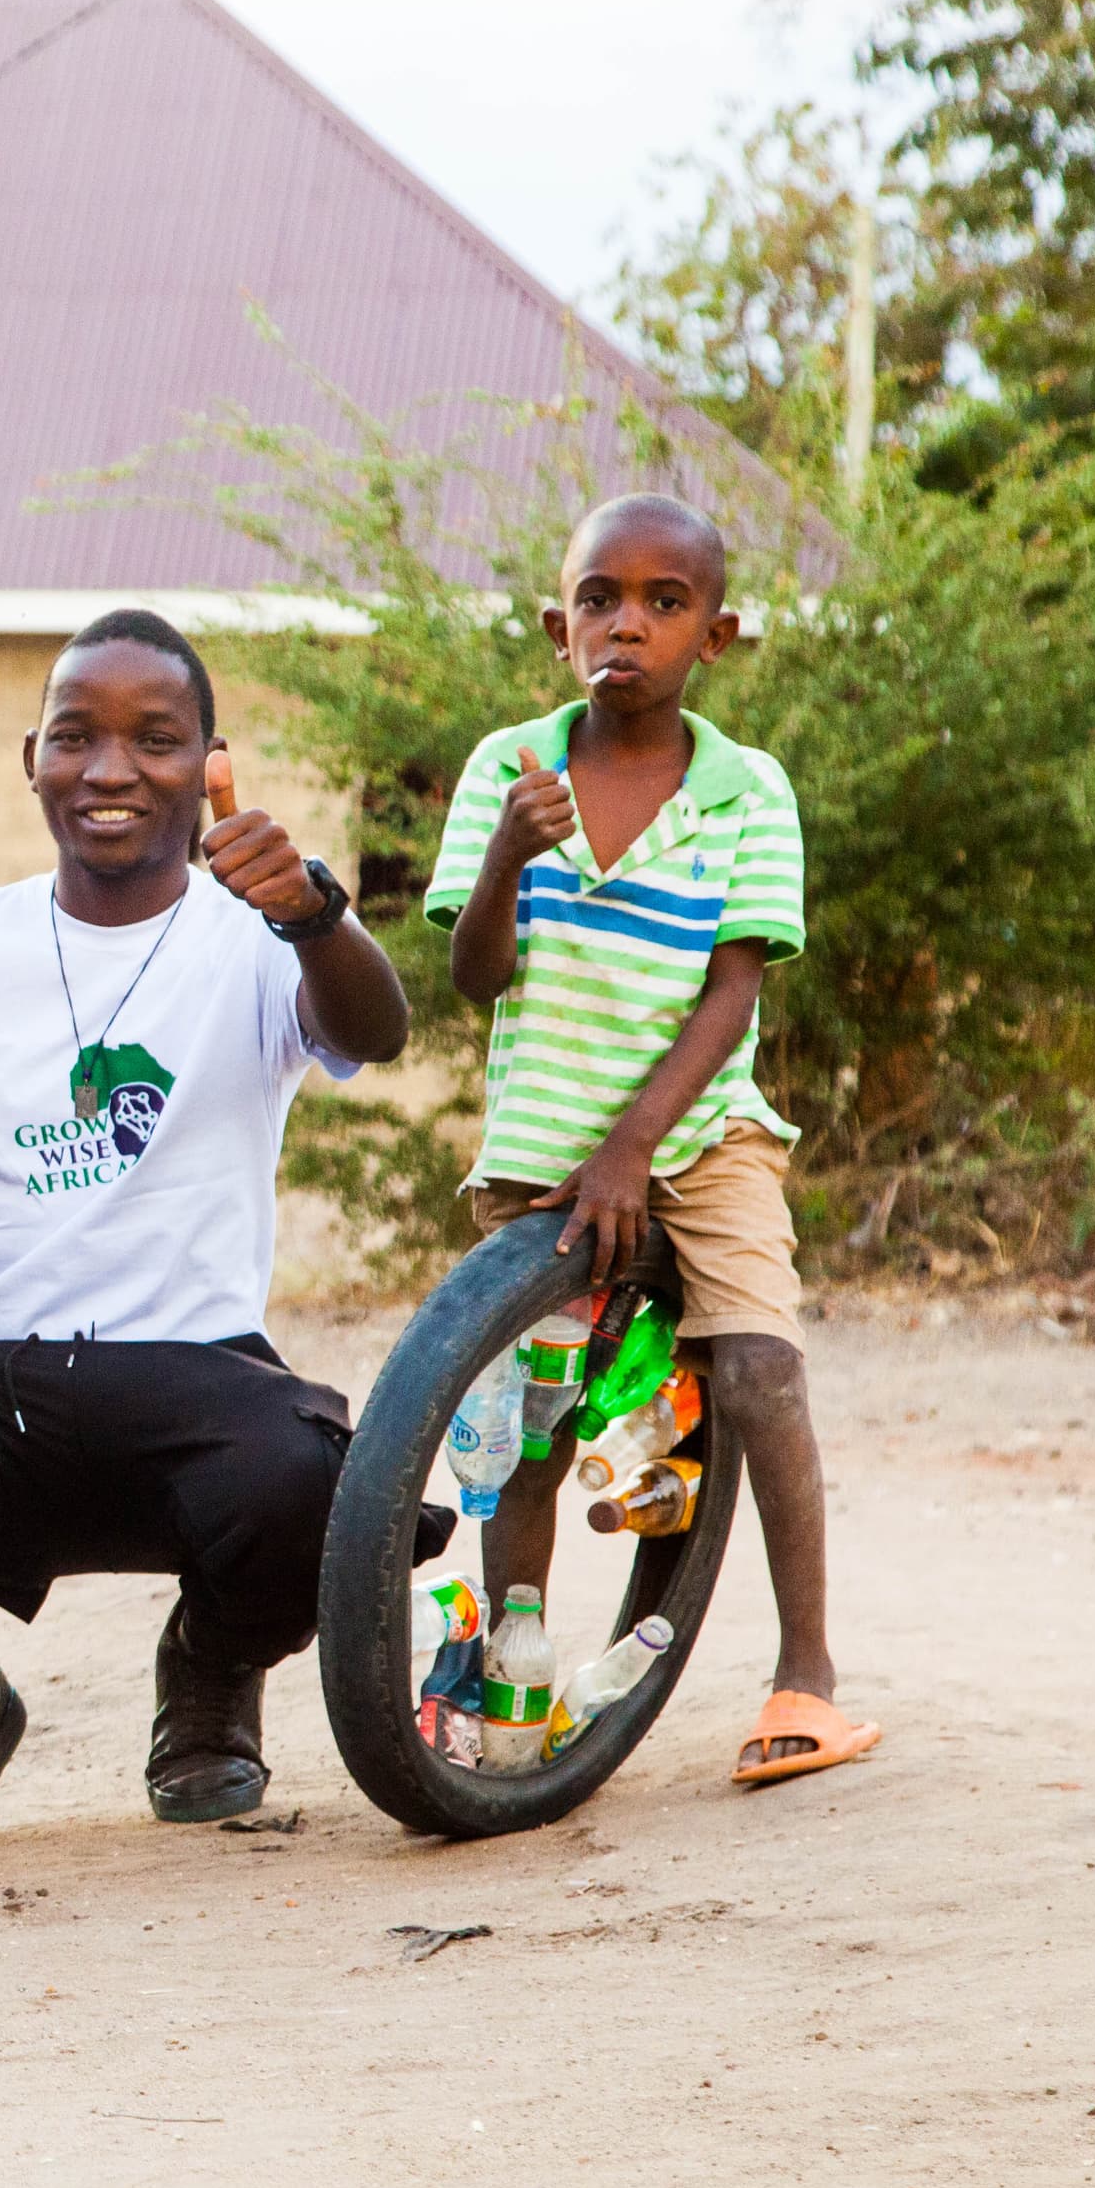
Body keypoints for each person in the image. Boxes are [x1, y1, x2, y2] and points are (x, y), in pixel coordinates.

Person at [0, 613, 412, 1843]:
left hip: (194, 1377)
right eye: (77, 737)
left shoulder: (266, 939)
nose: (111, 770)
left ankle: (212, 1678)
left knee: (325, 1480)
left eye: (155, 740)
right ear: (31, 758)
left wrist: (318, 913)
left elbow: (376, 1035)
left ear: (210, 762)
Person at [426, 492, 876, 1788]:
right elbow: (475, 972)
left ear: (715, 635)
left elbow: (734, 988)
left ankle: (808, 1678)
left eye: (664, 603)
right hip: (538, 1137)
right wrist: (510, 851)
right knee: (532, 1413)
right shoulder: (510, 768)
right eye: (601, 599)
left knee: (754, 1369)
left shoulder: (748, 790)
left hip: (701, 1133)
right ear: (556, 623)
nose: (629, 623)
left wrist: (632, 1147)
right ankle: (516, 1650)